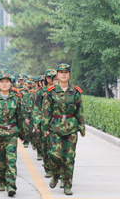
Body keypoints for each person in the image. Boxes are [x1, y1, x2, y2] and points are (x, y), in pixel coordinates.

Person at [42, 64, 85, 195]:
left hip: (71, 127)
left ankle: (67, 185)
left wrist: (82, 127)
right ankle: (55, 174)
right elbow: (46, 111)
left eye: (66, 72)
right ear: (57, 76)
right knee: (54, 155)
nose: (64, 74)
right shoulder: (50, 92)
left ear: (69, 74)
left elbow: (80, 110)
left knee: (69, 158)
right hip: (55, 127)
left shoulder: (75, 92)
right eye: (61, 72)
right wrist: (45, 128)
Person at [0, 72, 26, 197]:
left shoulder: (16, 98)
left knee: (11, 160)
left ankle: (11, 185)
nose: (4, 84)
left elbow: (20, 117)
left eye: (7, 81)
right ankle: (2, 180)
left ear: (11, 83)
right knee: (0, 161)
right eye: (1, 82)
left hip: (11, 133)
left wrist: (23, 134)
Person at [33, 70, 57, 178]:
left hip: (57, 123)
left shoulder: (59, 90)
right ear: (46, 79)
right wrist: (38, 123)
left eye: (54, 77)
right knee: (45, 147)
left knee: (57, 149)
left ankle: (58, 171)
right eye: (49, 77)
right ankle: (48, 169)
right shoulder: (40, 92)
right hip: (44, 122)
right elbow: (36, 108)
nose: (51, 79)